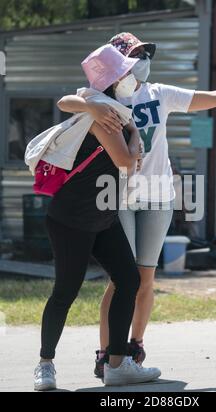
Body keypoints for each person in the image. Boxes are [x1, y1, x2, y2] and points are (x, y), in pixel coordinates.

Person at [57, 33, 216, 378]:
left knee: (146, 277)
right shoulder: (100, 96)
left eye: (146, 54)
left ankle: (134, 345)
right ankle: (105, 353)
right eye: (135, 55)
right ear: (119, 64)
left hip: (159, 195)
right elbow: (66, 102)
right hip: (117, 195)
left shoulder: (159, 94)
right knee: (119, 278)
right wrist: (90, 105)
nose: (143, 61)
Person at [33, 44, 161, 391]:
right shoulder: (104, 116)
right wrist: (135, 137)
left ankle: (117, 364)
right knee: (66, 291)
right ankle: (45, 364)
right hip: (71, 220)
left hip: (103, 218)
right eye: (124, 73)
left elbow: (70, 99)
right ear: (112, 80)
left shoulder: (107, 107)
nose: (131, 76)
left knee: (128, 280)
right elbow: (125, 161)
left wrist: (94, 105)